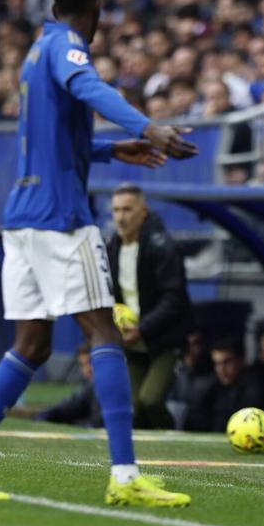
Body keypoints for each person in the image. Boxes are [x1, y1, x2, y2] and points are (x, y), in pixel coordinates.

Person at [0, 0, 198, 508]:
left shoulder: (35, 51)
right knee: (104, 332)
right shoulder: (69, 47)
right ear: (95, 5)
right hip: (60, 218)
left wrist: (108, 151)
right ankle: (124, 477)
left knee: (31, 345)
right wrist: (145, 127)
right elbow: (88, 86)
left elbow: (50, 138)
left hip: (22, 220)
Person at [106, 183, 193, 429]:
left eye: (127, 210)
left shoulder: (162, 246)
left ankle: (175, 439)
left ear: (143, 212)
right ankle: (143, 458)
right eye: (116, 210)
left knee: (150, 400)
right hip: (131, 341)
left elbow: (174, 299)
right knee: (132, 407)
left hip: (164, 340)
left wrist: (142, 330)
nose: (121, 217)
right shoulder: (112, 248)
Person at [184, 338, 264, 432]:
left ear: (241, 360)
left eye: (227, 362)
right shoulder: (210, 388)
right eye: (217, 364)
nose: (221, 369)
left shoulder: (257, 387)